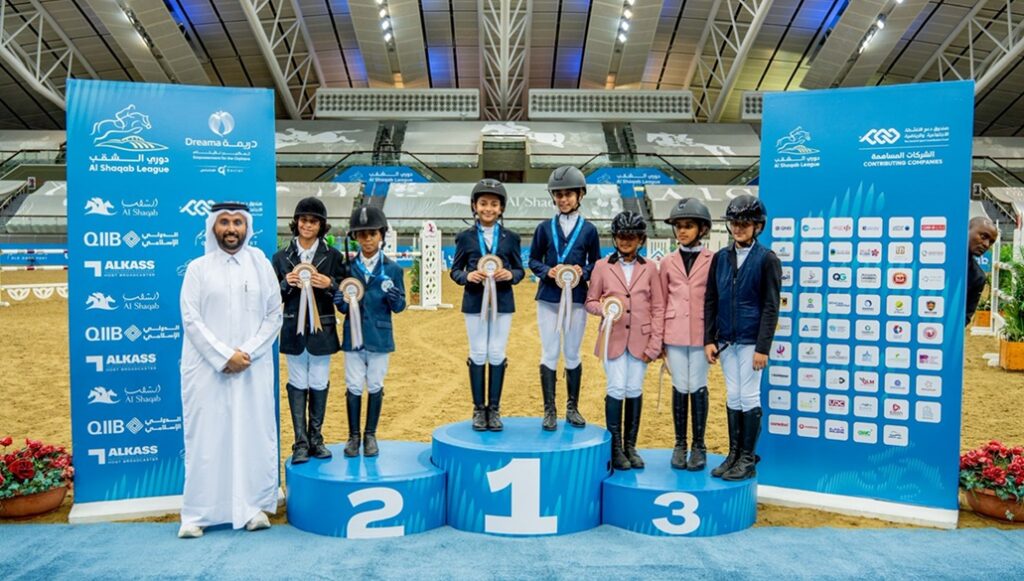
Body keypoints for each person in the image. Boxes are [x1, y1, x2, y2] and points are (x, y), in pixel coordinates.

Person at [178, 202, 283, 539]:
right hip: (208, 371)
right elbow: (191, 318)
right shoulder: (198, 268)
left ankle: (252, 508)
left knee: (252, 435)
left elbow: (274, 314)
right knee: (207, 439)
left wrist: (246, 353)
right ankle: (198, 514)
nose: (231, 228)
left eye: (238, 222)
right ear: (213, 227)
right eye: (224, 222)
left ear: (246, 227)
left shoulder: (261, 264)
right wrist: (224, 356)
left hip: (252, 368)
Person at [704, 194, 781, 482]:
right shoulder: (720, 258)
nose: (738, 228)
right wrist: (709, 338)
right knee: (733, 395)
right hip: (727, 341)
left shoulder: (767, 259)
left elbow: (771, 306)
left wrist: (763, 347)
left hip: (751, 341)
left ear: (757, 226)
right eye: (734, 223)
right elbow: (711, 299)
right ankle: (734, 454)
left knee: (748, 396)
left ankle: (747, 458)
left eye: (745, 224)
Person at [585, 212, 664, 471]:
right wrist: (605, 309)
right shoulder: (601, 266)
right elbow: (590, 301)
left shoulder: (650, 268)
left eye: (632, 236)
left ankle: (631, 445)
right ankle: (616, 447)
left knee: (634, 389)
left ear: (641, 239)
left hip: (641, 339)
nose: (626, 240)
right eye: (621, 235)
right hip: (613, 337)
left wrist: (655, 344)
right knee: (616, 388)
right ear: (615, 237)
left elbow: (658, 306)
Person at [271, 197, 345, 464]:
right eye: (303, 220)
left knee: (319, 380)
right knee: (297, 381)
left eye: (313, 221)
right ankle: (300, 442)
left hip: (321, 329)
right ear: (296, 222)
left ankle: (317, 438)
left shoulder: (333, 257)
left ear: (321, 225)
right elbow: (271, 297)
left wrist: (330, 284)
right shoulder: (280, 258)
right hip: (293, 327)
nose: (307, 225)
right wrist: (285, 284)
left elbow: (345, 294)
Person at [528, 166, 601, 431]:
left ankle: (572, 407)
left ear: (580, 195)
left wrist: (584, 272)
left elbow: (596, 263)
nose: (563, 199)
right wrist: (547, 271)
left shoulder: (589, 230)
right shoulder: (544, 228)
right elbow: (533, 260)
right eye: (558, 195)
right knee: (550, 351)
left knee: (571, 352)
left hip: (577, 298)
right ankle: (549, 410)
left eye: (568, 194)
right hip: (549, 298)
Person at [450, 179, 525, 431]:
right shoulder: (465, 237)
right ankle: (478, 408)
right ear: (474, 206)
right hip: (474, 301)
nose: (488, 209)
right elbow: (455, 270)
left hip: (502, 302)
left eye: (494, 204)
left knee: (497, 352)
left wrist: (510, 274)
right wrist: (467, 276)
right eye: (483, 203)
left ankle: (494, 409)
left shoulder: (511, 238)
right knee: (478, 352)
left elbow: (520, 270)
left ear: (501, 208)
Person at [333, 206, 406, 458]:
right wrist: (340, 303)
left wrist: (396, 299)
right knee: (353, 384)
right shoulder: (347, 268)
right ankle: (353, 436)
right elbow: (344, 304)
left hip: (379, 336)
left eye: (372, 234)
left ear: (381, 235)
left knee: (375, 383)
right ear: (355, 237)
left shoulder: (393, 269)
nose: (367, 239)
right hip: (353, 336)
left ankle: (370, 434)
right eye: (362, 235)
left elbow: (400, 306)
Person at [659, 198, 714, 471]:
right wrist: (659, 338)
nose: (682, 231)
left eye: (688, 226)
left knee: (698, 384)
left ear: (702, 229)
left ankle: (699, 445)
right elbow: (660, 301)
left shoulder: (714, 260)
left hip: (703, 333)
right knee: (680, 385)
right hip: (674, 333)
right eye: (679, 226)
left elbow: (715, 299)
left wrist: (714, 336)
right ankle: (680, 444)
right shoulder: (666, 262)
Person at [966, 216, 998, 326]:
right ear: (966, 229)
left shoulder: (978, 278)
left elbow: (966, 316)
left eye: (991, 242)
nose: (986, 244)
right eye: (983, 236)